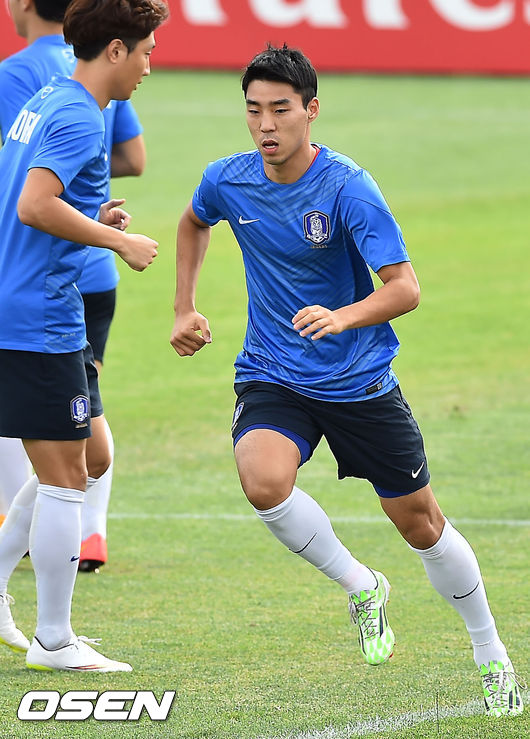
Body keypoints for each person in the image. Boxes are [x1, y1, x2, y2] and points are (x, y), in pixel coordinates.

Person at [170, 44, 523, 716]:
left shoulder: (347, 187)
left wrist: (343, 316)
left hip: (358, 382)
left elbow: (405, 287)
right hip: (274, 371)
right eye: (254, 110)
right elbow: (192, 221)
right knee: (262, 480)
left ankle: (490, 651)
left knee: (420, 524)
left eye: (280, 109)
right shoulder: (228, 180)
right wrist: (185, 306)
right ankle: (361, 584)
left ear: (311, 110)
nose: (266, 124)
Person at [0, 0, 168, 671]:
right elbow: (33, 204)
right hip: (38, 316)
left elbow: (33, 194)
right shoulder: (76, 114)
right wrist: (117, 240)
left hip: (29, 306)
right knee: (69, 475)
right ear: (117, 49)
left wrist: (92, 215)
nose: (150, 66)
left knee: (80, 459)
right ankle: (54, 639)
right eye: (147, 51)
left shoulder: (48, 98)